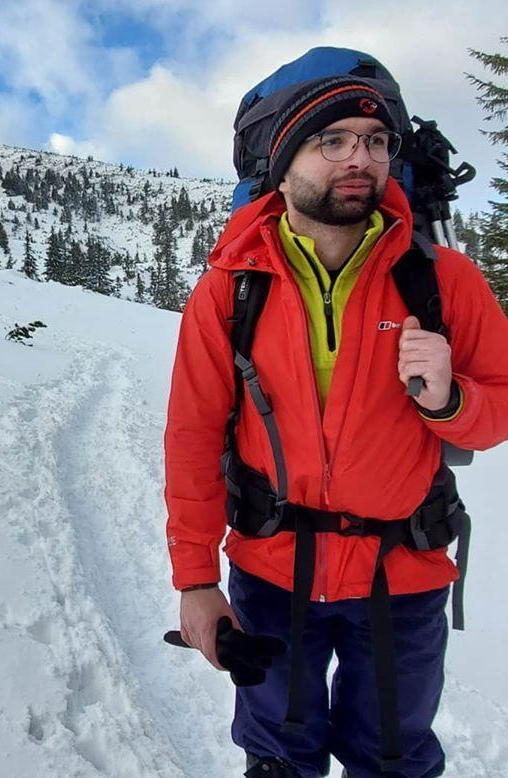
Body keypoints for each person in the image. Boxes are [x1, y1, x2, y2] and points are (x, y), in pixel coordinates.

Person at [164, 75, 508, 777]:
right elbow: (193, 436)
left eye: (377, 141)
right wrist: (196, 580)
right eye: (334, 141)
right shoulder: (233, 285)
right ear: (284, 167)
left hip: (402, 578)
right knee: (277, 756)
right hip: (268, 574)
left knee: (393, 757)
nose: (363, 158)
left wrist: (450, 401)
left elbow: (494, 417)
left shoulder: (445, 282)